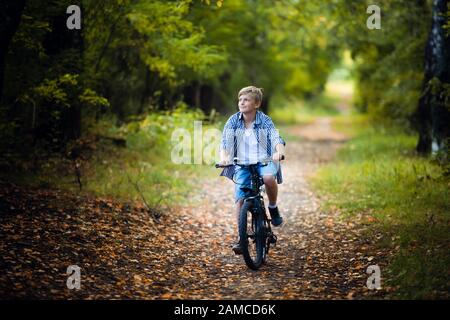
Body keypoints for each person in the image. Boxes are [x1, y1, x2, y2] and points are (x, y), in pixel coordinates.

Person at [218, 86, 286, 254]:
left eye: (246, 100)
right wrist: (224, 157)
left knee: (269, 178)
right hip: (242, 163)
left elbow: (275, 137)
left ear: (257, 104)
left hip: (265, 160)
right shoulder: (233, 120)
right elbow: (225, 142)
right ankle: (242, 239)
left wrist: (279, 152)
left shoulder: (264, 120)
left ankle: (272, 207)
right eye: (240, 100)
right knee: (240, 198)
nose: (242, 102)